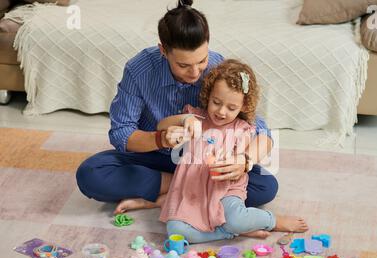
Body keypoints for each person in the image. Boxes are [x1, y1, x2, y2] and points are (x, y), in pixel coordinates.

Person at [75, 0, 278, 215]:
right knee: (91, 174)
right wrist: (160, 139)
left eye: (202, 60)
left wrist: (244, 161)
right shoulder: (139, 70)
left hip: (202, 161)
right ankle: (187, 188)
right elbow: (121, 134)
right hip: (152, 157)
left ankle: (161, 197)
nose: (195, 73)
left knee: (265, 186)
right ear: (163, 50)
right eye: (183, 65)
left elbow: (260, 128)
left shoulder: (218, 68)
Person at [158, 59, 308, 243]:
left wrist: (236, 159)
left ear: (243, 106)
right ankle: (227, 233)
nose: (221, 112)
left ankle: (272, 220)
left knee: (236, 219)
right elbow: (161, 126)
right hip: (192, 189)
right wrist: (183, 120)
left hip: (225, 188)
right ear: (208, 95)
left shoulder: (244, 129)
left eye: (231, 108)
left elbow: (248, 154)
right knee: (176, 232)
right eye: (216, 102)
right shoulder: (195, 117)